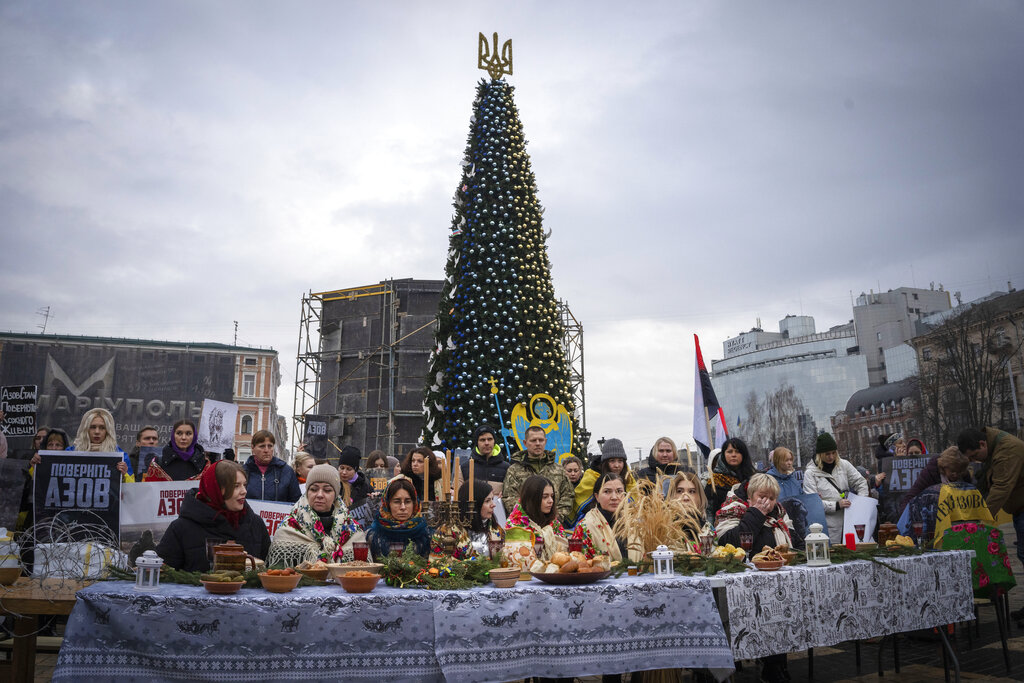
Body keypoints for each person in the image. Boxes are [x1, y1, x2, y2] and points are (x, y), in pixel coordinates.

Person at [715, 472, 794, 683]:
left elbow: (793, 542)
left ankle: (775, 666)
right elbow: (728, 543)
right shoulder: (733, 509)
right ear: (750, 496)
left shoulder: (780, 514)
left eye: (772, 497)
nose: (767, 502)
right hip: (741, 586)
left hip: (777, 581)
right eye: (762, 496)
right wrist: (756, 514)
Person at [155, 460, 270, 572]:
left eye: (244, 485)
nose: (244, 491)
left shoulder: (256, 524)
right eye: (236, 486)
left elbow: (270, 569)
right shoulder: (181, 528)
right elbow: (163, 574)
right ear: (216, 489)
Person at [270, 464, 364, 565]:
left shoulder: (352, 529)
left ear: (335, 495)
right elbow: (279, 573)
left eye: (327, 490)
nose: (319, 495)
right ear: (307, 492)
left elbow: (364, 571)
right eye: (314, 489)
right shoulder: (289, 527)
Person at [958, 427, 1024, 563]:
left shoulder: (1007, 451)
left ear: (982, 444)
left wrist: (982, 520)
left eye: (974, 456)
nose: (974, 461)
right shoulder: (994, 448)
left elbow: (1001, 487)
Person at [803, 433, 868, 544]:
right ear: (819, 454)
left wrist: (860, 502)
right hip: (828, 528)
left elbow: (861, 482)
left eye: (834, 453)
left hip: (850, 522)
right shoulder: (810, 473)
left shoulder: (844, 465)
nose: (831, 457)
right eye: (827, 454)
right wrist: (836, 505)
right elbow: (812, 504)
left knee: (853, 553)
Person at [503, 426, 575, 526]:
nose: (537, 443)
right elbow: (509, 497)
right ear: (525, 443)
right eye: (533, 440)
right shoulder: (514, 470)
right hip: (525, 526)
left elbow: (568, 496)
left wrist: (555, 517)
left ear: (545, 441)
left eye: (540, 440)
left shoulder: (558, 470)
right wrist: (527, 518)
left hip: (553, 525)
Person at [571, 472, 640, 562]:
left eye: (619, 491)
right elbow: (579, 564)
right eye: (607, 492)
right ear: (597, 497)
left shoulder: (635, 524)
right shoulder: (585, 527)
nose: (614, 497)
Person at [505, 474, 569, 562]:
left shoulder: (553, 522)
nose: (551, 501)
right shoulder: (515, 524)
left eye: (552, 496)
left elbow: (565, 554)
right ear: (532, 499)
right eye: (545, 497)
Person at [366, 476, 433, 560]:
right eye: (397, 502)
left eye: (408, 502)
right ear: (387, 504)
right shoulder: (373, 536)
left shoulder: (427, 535)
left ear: (414, 504)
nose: (403, 507)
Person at [574, 438, 637, 516]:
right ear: (605, 462)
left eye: (620, 461)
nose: (617, 465)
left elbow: (636, 497)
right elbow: (582, 502)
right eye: (612, 461)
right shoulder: (592, 475)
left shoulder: (628, 476)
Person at [69, 408, 133, 480]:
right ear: (86, 429)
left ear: (108, 431)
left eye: (102, 428)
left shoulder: (121, 456)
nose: (97, 432)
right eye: (93, 427)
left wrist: (124, 476)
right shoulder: (70, 452)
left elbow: (131, 487)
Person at [704, 437, 755, 521]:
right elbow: (708, 511)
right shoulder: (715, 481)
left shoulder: (753, 479)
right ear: (723, 454)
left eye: (737, 452)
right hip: (723, 527)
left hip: (751, 524)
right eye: (730, 452)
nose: (733, 455)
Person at [243, 430, 301, 503]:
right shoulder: (243, 472)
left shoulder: (286, 471)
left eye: (270, 446)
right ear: (253, 447)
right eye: (262, 446)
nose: (266, 450)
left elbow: (296, 502)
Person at [457, 478, 504, 559]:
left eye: (492, 499)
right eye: (487, 501)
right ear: (474, 504)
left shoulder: (496, 529)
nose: (493, 505)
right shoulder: (451, 532)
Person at [460, 424, 510, 493]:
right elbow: (457, 494)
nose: (487, 443)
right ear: (477, 443)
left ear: (494, 441)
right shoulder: (464, 468)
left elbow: (513, 493)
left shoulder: (506, 468)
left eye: (490, 439)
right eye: (482, 440)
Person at [667, 470, 711, 541]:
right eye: (679, 491)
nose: (686, 498)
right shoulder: (661, 530)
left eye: (692, 492)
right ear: (672, 495)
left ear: (700, 497)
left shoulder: (708, 530)